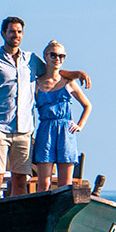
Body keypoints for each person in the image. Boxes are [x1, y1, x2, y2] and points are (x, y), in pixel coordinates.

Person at [0, 17, 90, 201]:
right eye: (12, 31)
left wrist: (78, 74)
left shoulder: (31, 60)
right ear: (3, 33)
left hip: (24, 130)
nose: (16, 35)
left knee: (20, 179)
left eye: (19, 32)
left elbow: (53, 71)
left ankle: (18, 218)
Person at [31, 40, 91, 191]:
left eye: (61, 56)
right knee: (44, 183)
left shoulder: (68, 82)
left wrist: (79, 125)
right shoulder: (36, 84)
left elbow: (87, 105)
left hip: (66, 131)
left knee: (65, 184)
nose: (57, 59)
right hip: (45, 130)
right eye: (54, 55)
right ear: (46, 56)